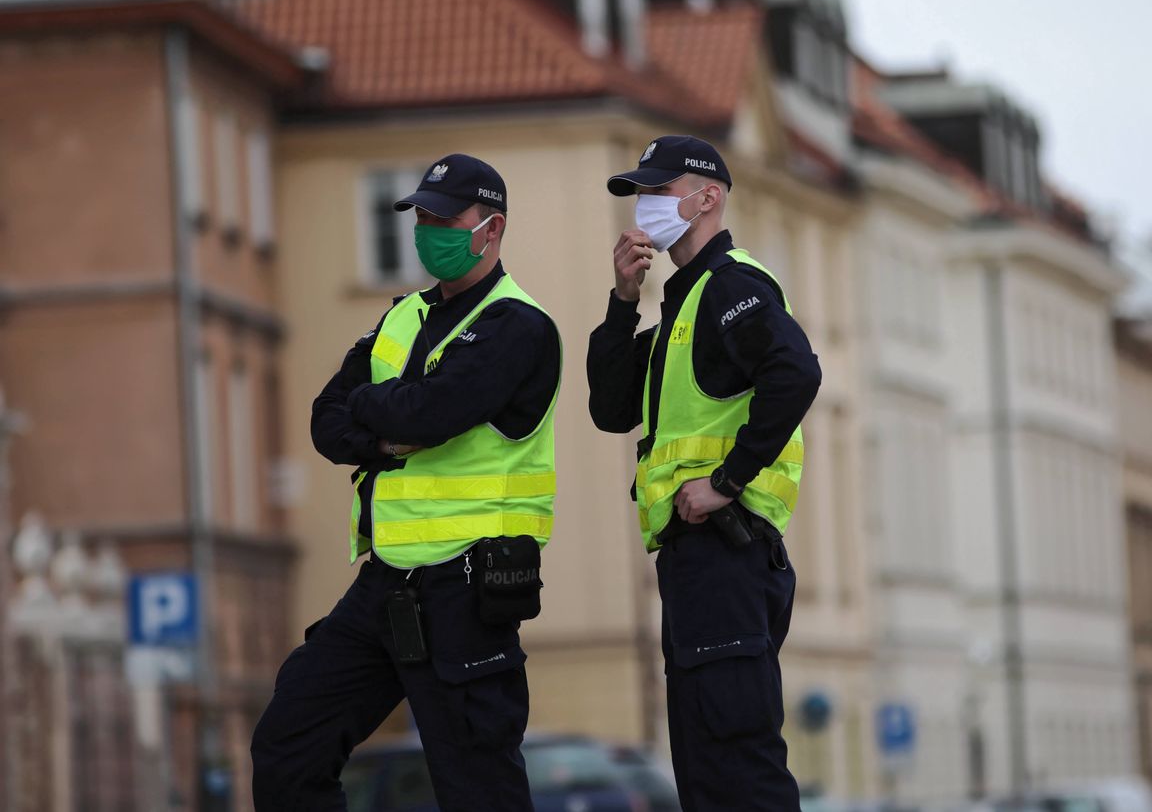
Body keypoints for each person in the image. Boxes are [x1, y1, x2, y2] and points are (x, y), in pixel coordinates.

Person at [251, 153, 561, 812]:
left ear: (492, 227)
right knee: (288, 747)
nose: (428, 229)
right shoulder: (399, 318)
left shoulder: (518, 326)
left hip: (468, 587)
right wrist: (391, 424)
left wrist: (384, 409)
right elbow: (325, 421)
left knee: (478, 787)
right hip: (383, 583)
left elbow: (435, 413)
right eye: (421, 216)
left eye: (445, 217)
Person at [587, 134, 821, 811]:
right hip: (696, 563)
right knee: (703, 769)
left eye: (657, 191)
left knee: (738, 761)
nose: (644, 207)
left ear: (707, 197)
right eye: (641, 194)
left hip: (728, 554)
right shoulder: (679, 307)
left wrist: (726, 481)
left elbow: (796, 371)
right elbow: (610, 408)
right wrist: (622, 298)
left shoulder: (731, 288)